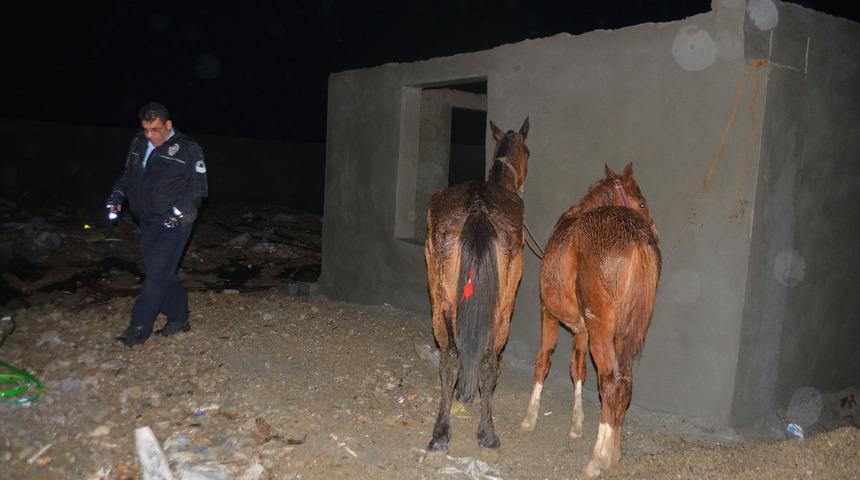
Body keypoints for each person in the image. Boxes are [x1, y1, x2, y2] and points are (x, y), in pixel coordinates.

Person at [108, 102, 208, 347]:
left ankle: (138, 328)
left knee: (156, 276)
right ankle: (179, 319)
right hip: (147, 220)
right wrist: (117, 196)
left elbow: (198, 190)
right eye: (146, 130)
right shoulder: (138, 144)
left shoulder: (188, 149)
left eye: (155, 130)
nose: (150, 136)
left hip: (174, 222)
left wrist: (175, 213)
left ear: (168, 125)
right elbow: (128, 176)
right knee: (161, 273)